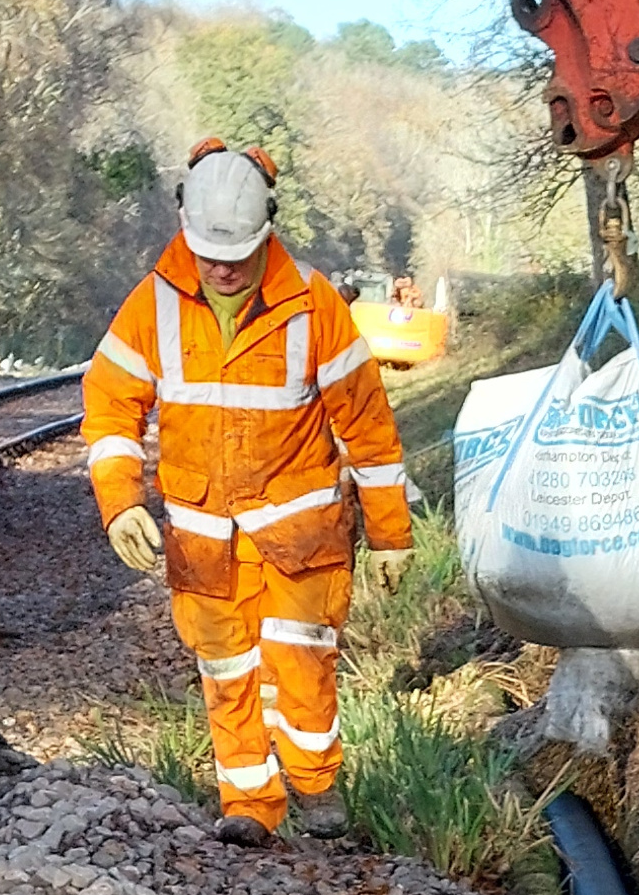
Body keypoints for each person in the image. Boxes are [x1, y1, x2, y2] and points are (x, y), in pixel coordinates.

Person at [83, 139, 413, 847]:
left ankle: (315, 782)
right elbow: (111, 405)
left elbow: (369, 430)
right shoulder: (156, 303)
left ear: (269, 227)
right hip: (205, 537)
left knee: (301, 659)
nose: (224, 269)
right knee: (226, 666)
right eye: (208, 254)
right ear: (184, 229)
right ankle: (248, 802)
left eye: (238, 253)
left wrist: (391, 534)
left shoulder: (313, 303)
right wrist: (121, 500)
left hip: (301, 535)